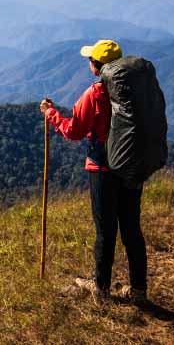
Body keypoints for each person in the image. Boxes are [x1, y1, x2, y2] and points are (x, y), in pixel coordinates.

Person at [39, 39, 148, 304]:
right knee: (132, 228)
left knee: (105, 230)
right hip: (131, 166)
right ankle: (139, 290)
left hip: (103, 169)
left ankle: (101, 288)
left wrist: (51, 114)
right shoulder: (133, 90)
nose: (88, 63)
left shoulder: (95, 94)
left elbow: (74, 131)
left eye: (90, 60)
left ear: (96, 66)